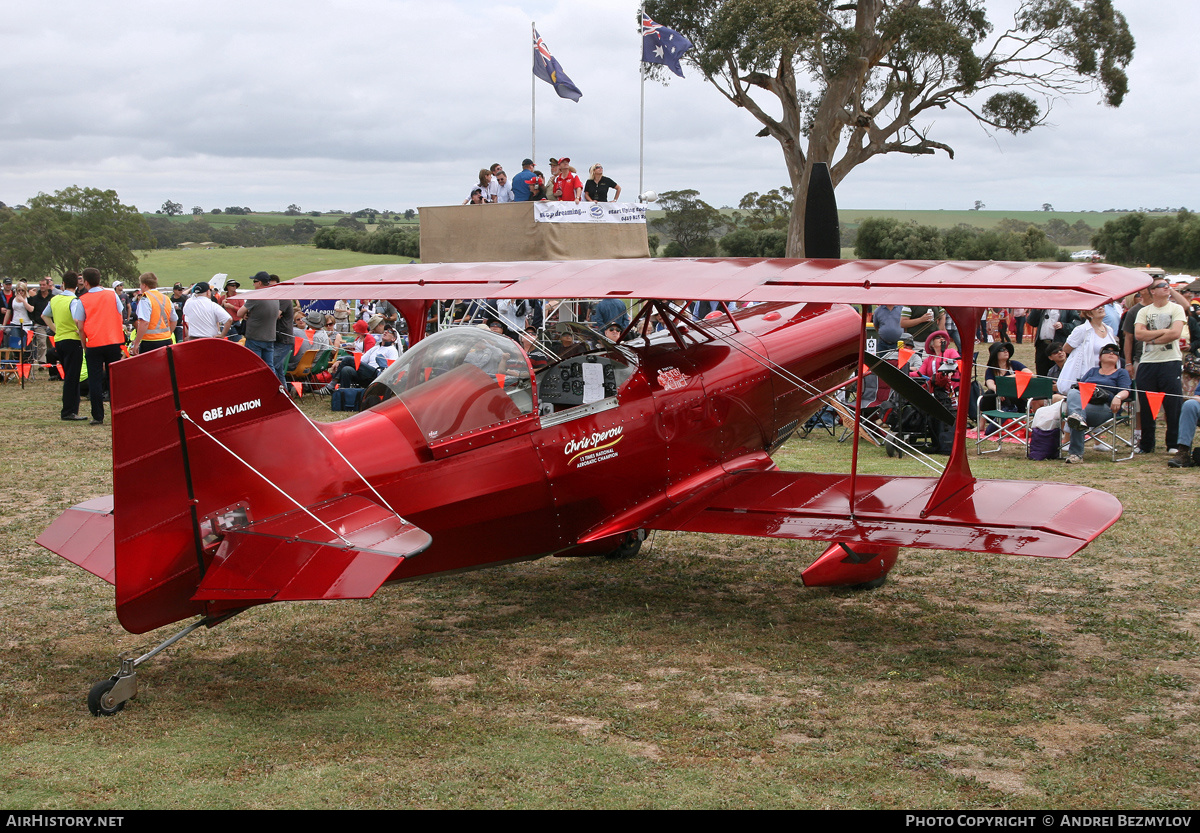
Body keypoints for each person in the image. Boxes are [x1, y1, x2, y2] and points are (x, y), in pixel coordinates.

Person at [1134, 279, 1186, 454]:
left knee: (1173, 404)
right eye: (1162, 286)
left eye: (1167, 285)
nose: (1167, 288)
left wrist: (1153, 339)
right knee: (1147, 405)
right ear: (1152, 291)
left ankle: (1173, 443)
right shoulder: (1144, 311)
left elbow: (1176, 333)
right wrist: (1164, 332)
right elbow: (1139, 334)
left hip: (1170, 361)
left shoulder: (1176, 308)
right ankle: (1147, 444)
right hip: (1148, 362)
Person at [71, 268, 126, 425]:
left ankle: (98, 416)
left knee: (95, 380)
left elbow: (80, 326)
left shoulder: (83, 300)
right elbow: (120, 313)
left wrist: (84, 344)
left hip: (94, 343)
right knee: (113, 380)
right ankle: (118, 413)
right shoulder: (112, 294)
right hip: (114, 341)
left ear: (86, 282)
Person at [1062, 343, 1132, 464]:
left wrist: (1118, 397)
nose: (1111, 353)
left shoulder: (1121, 373)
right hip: (1085, 404)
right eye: (1107, 351)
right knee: (1074, 395)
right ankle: (1078, 421)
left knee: (1076, 413)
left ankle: (1076, 453)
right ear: (1100, 357)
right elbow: (1080, 388)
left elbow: (1126, 390)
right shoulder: (1092, 371)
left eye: (1115, 352)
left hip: (1106, 407)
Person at [43, 271, 87, 421]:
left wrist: (56, 329)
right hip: (73, 341)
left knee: (69, 375)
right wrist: (81, 331)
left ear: (63, 284)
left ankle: (70, 410)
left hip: (60, 340)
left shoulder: (55, 299)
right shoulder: (74, 300)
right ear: (76, 285)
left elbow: (44, 315)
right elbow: (77, 319)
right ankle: (69, 411)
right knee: (72, 378)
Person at [1055, 306, 1118, 394]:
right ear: (1089, 314)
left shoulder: (1109, 330)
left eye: (1102, 306)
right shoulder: (1081, 330)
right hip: (1087, 375)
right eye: (1096, 308)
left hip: (1107, 375)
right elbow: (1066, 348)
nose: (1101, 308)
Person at [237, 273, 280, 373]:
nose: (253, 284)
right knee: (269, 366)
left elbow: (239, 313)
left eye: (254, 282)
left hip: (255, 338)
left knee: (254, 366)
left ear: (259, 283)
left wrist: (246, 314)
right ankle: (273, 386)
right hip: (270, 337)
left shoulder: (256, 296)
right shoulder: (275, 297)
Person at [129, 272, 177, 355]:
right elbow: (174, 319)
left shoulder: (145, 299)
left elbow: (144, 322)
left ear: (144, 285)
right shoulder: (166, 298)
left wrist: (136, 343)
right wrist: (168, 333)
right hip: (166, 340)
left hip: (150, 341)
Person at [981, 341, 1028, 412]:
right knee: (989, 393)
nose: (1005, 351)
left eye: (1007, 350)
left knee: (1007, 394)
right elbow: (990, 384)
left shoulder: (1014, 364)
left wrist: (1011, 377)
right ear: (995, 354)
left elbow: (1030, 374)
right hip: (998, 400)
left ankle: (1009, 413)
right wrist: (999, 391)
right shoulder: (991, 370)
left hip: (1016, 398)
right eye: (1002, 350)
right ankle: (983, 419)